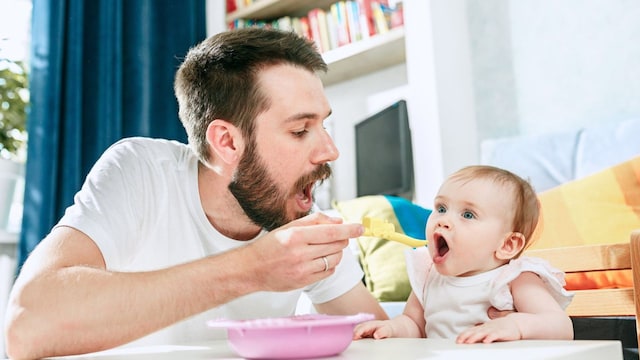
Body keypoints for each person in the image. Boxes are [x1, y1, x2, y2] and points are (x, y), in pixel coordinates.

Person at [3, 28, 389, 359]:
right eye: (300, 130)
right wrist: (253, 268)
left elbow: (380, 340)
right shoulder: (141, 172)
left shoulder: (292, 215)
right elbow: (25, 326)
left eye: (324, 126)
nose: (330, 151)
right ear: (227, 141)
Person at [353, 165, 574, 343]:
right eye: (441, 208)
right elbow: (414, 324)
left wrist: (516, 325)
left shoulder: (514, 278)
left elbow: (561, 326)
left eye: (468, 214)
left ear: (507, 244)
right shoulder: (427, 274)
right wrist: (391, 327)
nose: (443, 220)